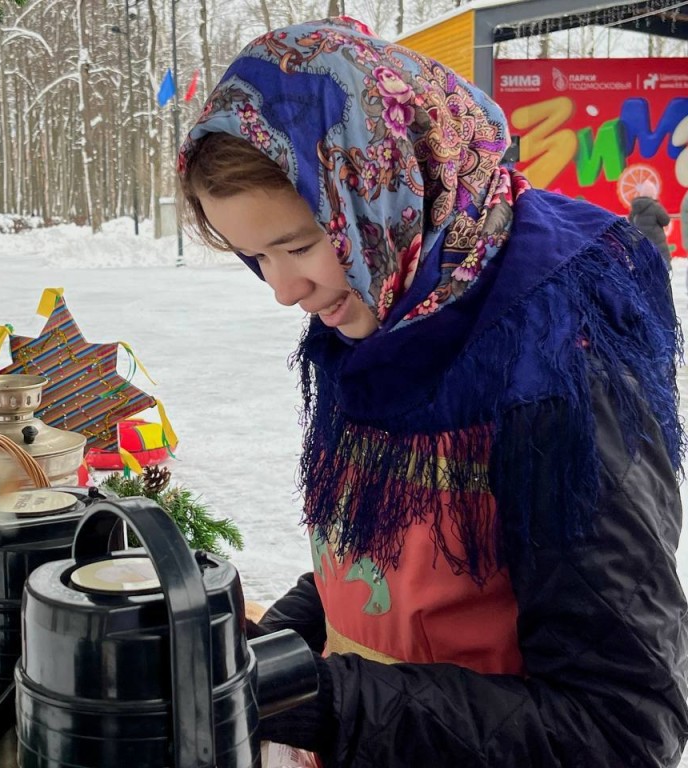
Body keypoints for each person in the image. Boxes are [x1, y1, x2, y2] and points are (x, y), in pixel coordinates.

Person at [178, 17, 688, 767]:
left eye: (300, 246)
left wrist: (333, 704)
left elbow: (621, 724)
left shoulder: (555, 367)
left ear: (391, 194)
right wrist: (264, 653)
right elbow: (385, 561)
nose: (284, 290)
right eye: (257, 257)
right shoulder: (387, 308)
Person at [628, 180, 671, 265]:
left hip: (641, 248)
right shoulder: (655, 207)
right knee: (662, 271)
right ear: (653, 194)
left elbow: (630, 223)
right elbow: (666, 220)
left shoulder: (634, 208)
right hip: (658, 247)